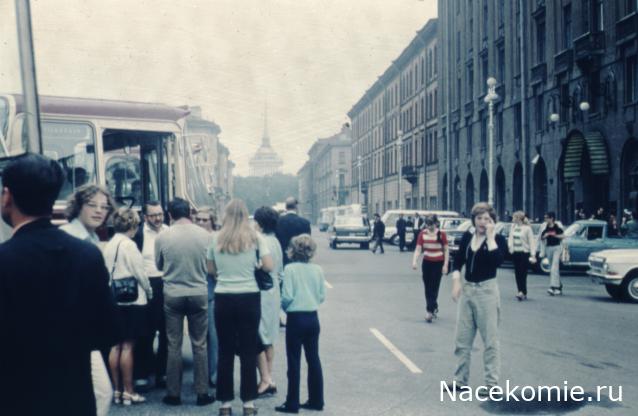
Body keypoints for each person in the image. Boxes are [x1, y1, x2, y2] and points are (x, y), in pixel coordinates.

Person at [0, 154, 119, 415]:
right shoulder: (87, 255)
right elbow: (107, 332)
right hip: (73, 399)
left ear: (7, 196)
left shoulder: (4, 259)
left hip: (16, 400)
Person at [207, 199, 273, 416]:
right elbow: (268, 266)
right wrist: (252, 266)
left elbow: (211, 270)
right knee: (248, 351)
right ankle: (249, 404)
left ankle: (225, 405)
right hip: (249, 297)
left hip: (224, 297)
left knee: (225, 352)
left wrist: (226, 275)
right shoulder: (256, 237)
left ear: (225, 215)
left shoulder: (215, 238)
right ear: (246, 216)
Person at [60, 184, 118, 416]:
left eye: (104, 207)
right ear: (78, 206)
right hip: (68, 333)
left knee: (95, 393)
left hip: (84, 332)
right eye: (92, 205)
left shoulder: (92, 238)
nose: (99, 211)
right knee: (101, 392)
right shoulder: (68, 236)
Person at [155, 198, 215, 407]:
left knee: (174, 345)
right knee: (200, 344)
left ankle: (173, 394)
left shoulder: (163, 236)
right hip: (198, 292)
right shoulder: (205, 236)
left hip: (173, 293)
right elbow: (210, 266)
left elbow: (159, 264)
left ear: (169, 214)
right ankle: (202, 393)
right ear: (189, 212)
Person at [447, 202, 506, 397]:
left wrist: (490, 237)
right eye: (479, 218)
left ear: (493, 221)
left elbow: (497, 260)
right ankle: (460, 381)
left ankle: (492, 385)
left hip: (487, 292)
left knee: (490, 340)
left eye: (487, 219)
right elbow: (458, 261)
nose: (482, 222)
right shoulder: (467, 237)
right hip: (468, 290)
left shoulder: (498, 239)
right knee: (462, 339)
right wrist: (456, 281)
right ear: (473, 220)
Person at [104, 207, 153, 406]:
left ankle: (116, 391)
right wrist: (150, 292)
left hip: (114, 300)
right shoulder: (129, 245)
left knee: (115, 346)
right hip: (132, 301)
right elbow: (140, 273)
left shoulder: (109, 245)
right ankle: (129, 392)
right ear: (132, 225)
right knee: (128, 347)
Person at [275, 234, 325, 414]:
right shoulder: (317, 270)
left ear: (293, 250)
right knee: (314, 359)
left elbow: (287, 296)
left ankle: (292, 402)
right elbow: (321, 296)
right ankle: (316, 399)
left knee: (294, 361)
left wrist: (284, 307)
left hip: (296, 318)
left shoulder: (290, 269)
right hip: (312, 317)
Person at [132, 201, 169, 390]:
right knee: (145, 332)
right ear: (145, 217)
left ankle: (162, 374)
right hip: (147, 285)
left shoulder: (169, 232)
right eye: (153, 215)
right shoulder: (138, 235)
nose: (158, 218)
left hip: (166, 284)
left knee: (166, 332)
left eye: (160, 214)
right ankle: (142, 374)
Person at [253, 206, 284, 397]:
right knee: (269, 337)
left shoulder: (262, 241)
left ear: (260, 223)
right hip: (274, 292)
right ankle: (268, 377)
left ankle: (265, 379)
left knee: (258, 336)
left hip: (262, 292)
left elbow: (263, 266)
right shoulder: (276, 241)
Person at [194, 206, 219, 387]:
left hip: (212, 292)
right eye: (198, 219)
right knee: (198, 338)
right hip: (195, 291)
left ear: (212, 221)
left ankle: (214, 374)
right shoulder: (193, 238)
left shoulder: (216, 239)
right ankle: (201, 376)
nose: (201, 222)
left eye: (205, 219)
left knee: (213, 336)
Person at [412, 214, 449, 323]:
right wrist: (414, 261)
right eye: (427, 224)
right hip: (427, 263)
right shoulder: (422, 234)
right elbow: (418, 249)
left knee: (434, 286)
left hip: (438, 263)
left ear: (436, 223)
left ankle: (429, 311)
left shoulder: (441, 234)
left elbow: (446, 250)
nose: (429, 227)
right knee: (427, 286)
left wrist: (445, 265)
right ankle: (434, 305)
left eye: (431, 224)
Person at [508, 211, 537, 301]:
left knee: (523, 273)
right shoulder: (513, 227)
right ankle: (520, 291)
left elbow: (532, 242)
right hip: (515, 253)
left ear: (518, 218)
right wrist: (510, 248)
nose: (512, 219)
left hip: (524, 253)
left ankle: (523, 292)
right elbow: (510, 238)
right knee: (517, 272)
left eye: (514, 217)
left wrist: (533, 254)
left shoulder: (527, 229)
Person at [276, 197, 311, 266]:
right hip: (300, 260)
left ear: (286, 207)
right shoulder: (305, 223)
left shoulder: (278, 222)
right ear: (296, 207)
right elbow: (308, 242)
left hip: (282, 259)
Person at [541, 212, 565, 296]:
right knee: (552, 268)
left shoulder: (557, 227)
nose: (545, 219)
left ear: (552, 218)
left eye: (547, 217)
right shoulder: (546, 227)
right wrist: (546, 235)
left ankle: (552, 287)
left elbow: (563, 236)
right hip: (549, 248)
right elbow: (542, 237)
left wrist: (554, 235)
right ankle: (558, 285)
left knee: (554, 267)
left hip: (556, 248)